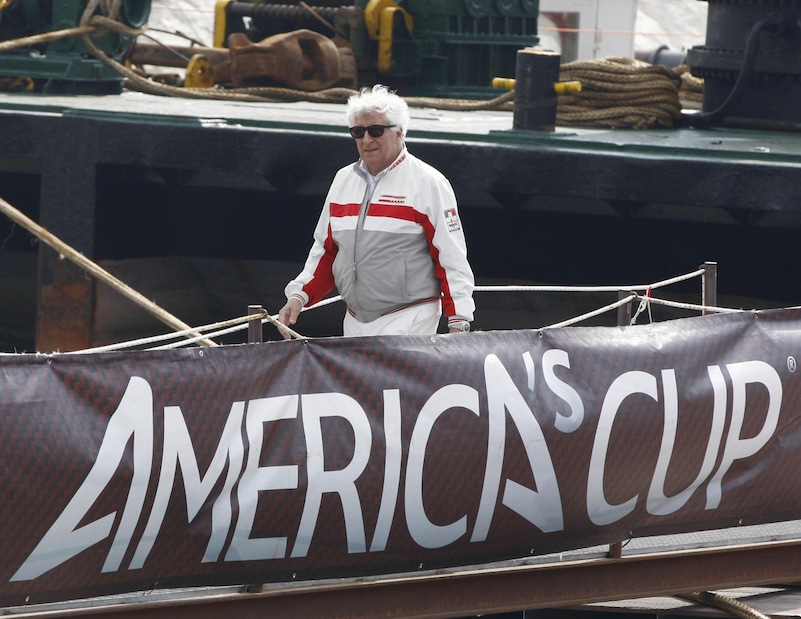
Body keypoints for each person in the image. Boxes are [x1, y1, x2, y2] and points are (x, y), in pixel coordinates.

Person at [277, 84, 475, 338]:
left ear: (399, 132)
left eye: (376, 131)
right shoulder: (343, 180)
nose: (366, 140)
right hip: (355, 319)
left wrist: (459, 320)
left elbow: (451, 257)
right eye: (358, 132)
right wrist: (299, 295)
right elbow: (327, 250)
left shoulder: (429, 183)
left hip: (411, 316)